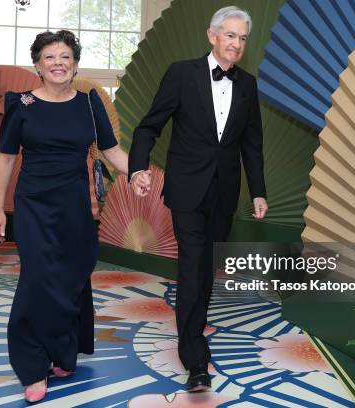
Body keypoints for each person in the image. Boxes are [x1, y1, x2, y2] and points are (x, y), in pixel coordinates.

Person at [128, 6, 268, 392]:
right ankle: (195, 359)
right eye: (230, 36)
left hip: (224, 193)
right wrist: (138, 167)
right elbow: (149, 126)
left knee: (206, 271)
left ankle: (193, 333)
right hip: (187, 190)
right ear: (212, 35)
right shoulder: (181, 73)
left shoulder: (248, 84)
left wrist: (258, 191)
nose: (236, 44)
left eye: (242, 38)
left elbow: (251, 144)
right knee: (192, 269)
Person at [0, 30, 129, 403]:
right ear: (38, 64)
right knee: (38, 281)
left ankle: (64, 351)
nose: (58, 63)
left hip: (76, 205)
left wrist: (142, 172)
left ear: (75, 64)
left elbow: (112, 151)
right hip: (34, 204)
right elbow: (4, 158)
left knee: (72, 278)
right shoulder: (20, 104)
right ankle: (32, 366)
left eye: (65, 56)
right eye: (50, 57)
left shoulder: (89, 103)